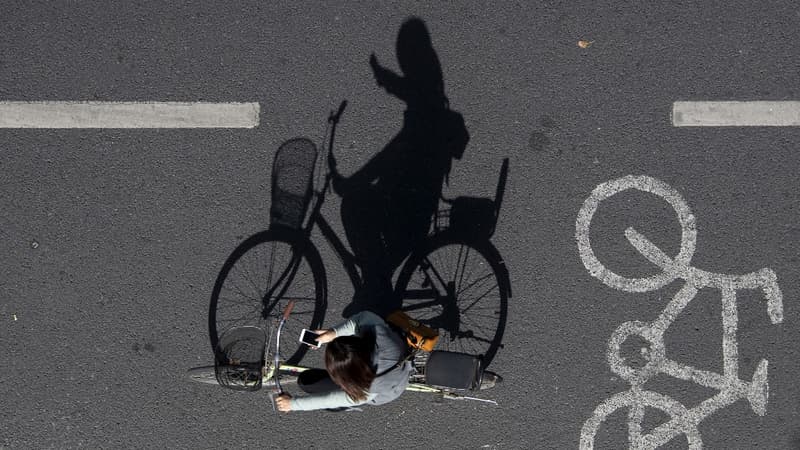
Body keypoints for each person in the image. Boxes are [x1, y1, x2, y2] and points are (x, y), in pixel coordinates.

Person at [332, 17, 458, 315]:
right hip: (411, 202)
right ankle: (375, 287)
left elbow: (389, 156)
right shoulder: (430, 94)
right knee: (364, 212)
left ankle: (375, 289)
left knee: (354, 204)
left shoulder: (424, 114)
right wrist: (384, 77)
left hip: (408, 212)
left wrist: (353, 182)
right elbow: (410, 89)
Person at [275, 311, 412, 412]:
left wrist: (292, 404)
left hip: (389, 390)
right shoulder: (379, 335)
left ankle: (348, 408)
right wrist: (332, 334)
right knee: (308, 381)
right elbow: (364, 318)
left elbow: (330, 399)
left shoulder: (367, 390)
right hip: (398, 361)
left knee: (307, 382)